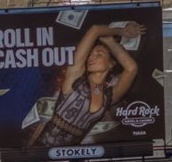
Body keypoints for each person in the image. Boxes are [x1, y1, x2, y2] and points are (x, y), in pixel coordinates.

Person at [24, 19, 145, 151]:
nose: (91, 58)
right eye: (90, 55)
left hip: (74, 154)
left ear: (111, 64)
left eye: (99, 54)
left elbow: (131, 68)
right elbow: (95, 29)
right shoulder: (75, 77)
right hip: (42, 151)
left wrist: (110, 42)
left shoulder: (110, 96)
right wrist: (121, 31)